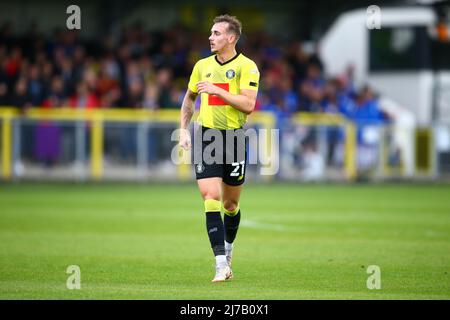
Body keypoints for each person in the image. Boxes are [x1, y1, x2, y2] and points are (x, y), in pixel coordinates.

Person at [179, 14, 260, 282]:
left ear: (231, 38)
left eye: (216, 33)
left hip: (235, 138)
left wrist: (216, 90)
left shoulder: (247, 67)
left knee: (230, 204)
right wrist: (183, 129)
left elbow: (248, 105)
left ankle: (228, 249)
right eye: (211, 33)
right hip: (207, 137)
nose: (210, 37)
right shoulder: (201, 66)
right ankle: (220, 265)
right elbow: (189, 98)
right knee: (210, 197)